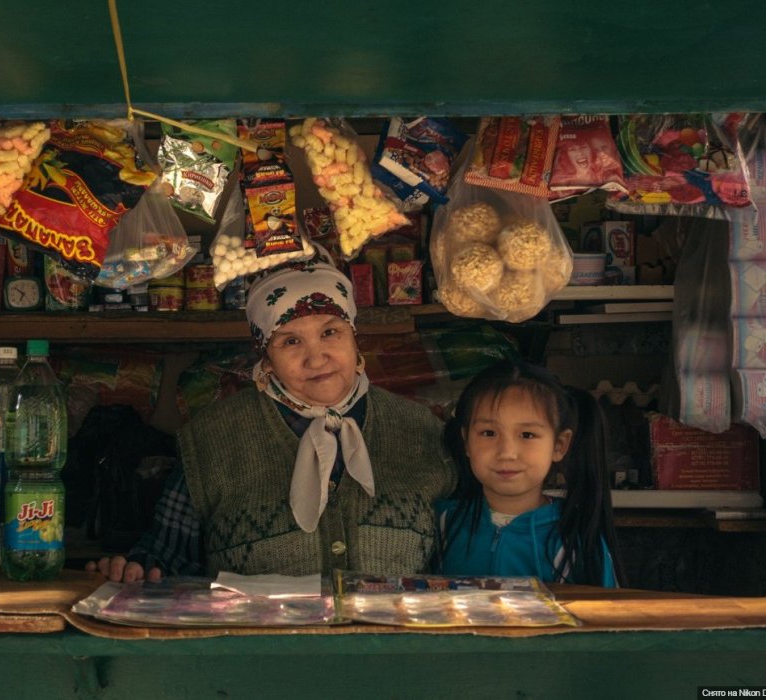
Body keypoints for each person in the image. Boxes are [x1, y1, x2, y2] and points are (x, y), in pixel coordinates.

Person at [91, 248, 456, 582]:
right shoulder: (213, 440)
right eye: (291, 341)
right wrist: (134, 570)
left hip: (399, 652)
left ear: (354, 336)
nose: (316, 358)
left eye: (331, 332)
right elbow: (167, 557)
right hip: (261, 652)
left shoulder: (423, 431)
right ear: (266, 357)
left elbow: (466, 554)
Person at [434, 359, 623, 587]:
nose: (507, 453)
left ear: (559, 446)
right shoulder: (442, 524)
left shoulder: (574, 537)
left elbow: (605, 617)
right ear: (466, 441)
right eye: (488, 432)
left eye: (527, 435)